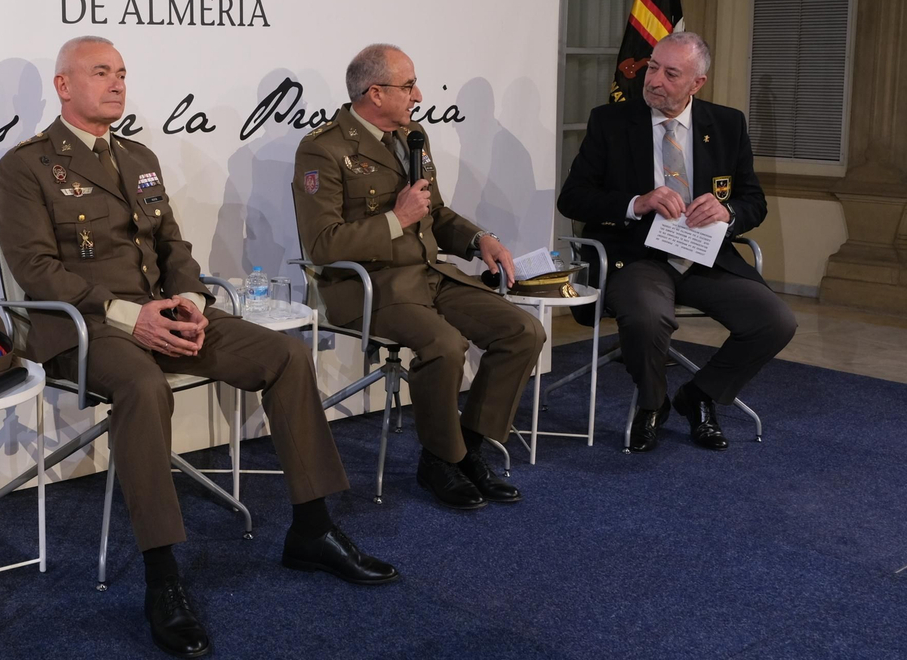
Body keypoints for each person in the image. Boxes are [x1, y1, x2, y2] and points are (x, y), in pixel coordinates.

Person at [0, 35, 396, 659]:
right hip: (88, 328)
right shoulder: (26, 165)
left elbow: (173, 248)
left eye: (123, 72)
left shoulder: (138, 155)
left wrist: (190, 302)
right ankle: (163, 577)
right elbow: (36, 270)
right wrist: (134, 316)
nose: (117, 83)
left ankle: (312, 530)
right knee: (144, 386)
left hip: (165, 315)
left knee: (287, 355)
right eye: (100, 72)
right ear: (64, 87)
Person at [292, 43, 544, 510]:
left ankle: (470, 447)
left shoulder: (413, 137)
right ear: (375, 93)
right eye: (408, 86)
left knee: (523, 331)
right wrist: (395, 219)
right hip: (369, 286)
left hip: (429, 274)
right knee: (445, 345)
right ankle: (440, 459)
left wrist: (477, 240)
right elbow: (322, 245)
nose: (418, 94)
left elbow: (437, 214)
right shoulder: (323, 148)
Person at [558, 32, 796, 452]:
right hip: (635, 257)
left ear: (696, 83)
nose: (654, 80)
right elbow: (573, 198)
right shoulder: (610, 121)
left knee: (775, 320)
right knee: (649, 318)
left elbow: (752, 201)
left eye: (671, 73)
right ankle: (653, 403)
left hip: (704, 257)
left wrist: (728, 212)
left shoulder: (726, 124)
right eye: (652, 67)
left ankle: (700, 395)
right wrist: (637, 202)